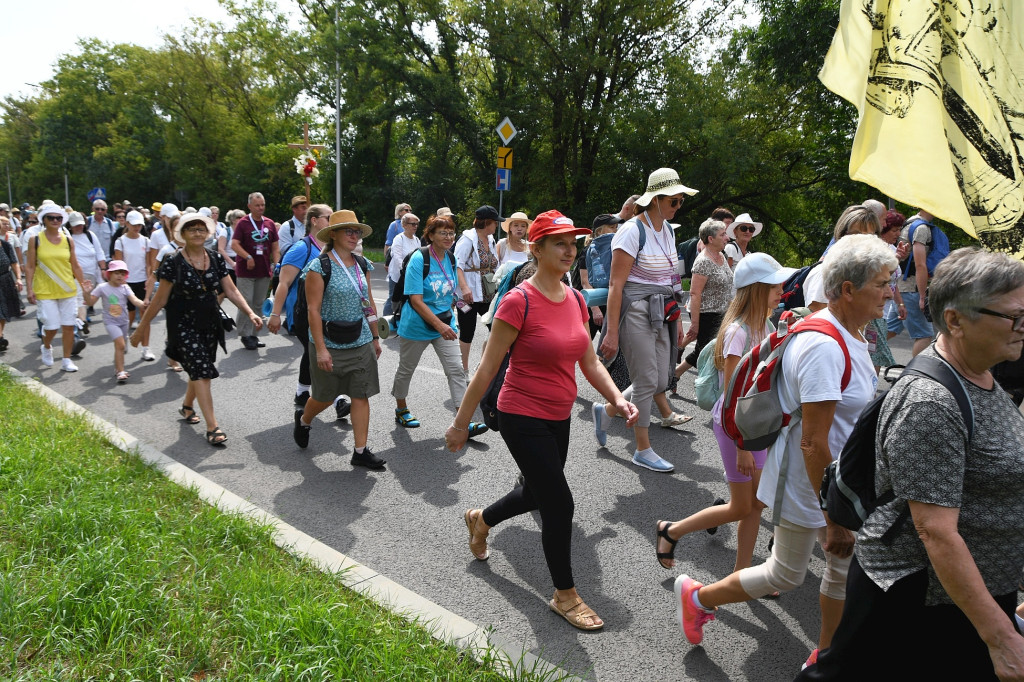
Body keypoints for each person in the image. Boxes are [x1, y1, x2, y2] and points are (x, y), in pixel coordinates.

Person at [800, 248, 1024, 680]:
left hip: (965, 593)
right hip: (921, 600)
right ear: (956, 321)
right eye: (1013, 316)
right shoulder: (931, 403)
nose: (1022, 327)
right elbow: (935, 531)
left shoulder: (980, 374)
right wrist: (999, 636)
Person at [674, 235, 895, 669]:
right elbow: (813, 440)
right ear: (848, 289)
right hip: (811, 478)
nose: (891, 292)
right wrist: (834, 516)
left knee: (835, 567)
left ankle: (826, 656)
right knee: (788, 573)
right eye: (883, 283)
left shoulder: (849, 334)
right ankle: (698, 596)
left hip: (832, 477)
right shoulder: (825, 347)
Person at [446, 210, 639, 631]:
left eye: (574, 243)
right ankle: (564, 595)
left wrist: (616, 400)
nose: (570, 250)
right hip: (520, 413)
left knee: (535, 493)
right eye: (560, 243)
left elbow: (588, 360)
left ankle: (481, 520)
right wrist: (461, 423)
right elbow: (485, 368)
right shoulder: (519, 301)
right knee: (559, 502)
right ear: (537, 249)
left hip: (559, 414)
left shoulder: (574, 299)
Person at [655, 253, 794, 575]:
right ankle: (671, 531)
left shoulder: (768, 325)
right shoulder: (738, 333)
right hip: (736, 428)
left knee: (754, 503)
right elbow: (733, 395)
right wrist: (744, 445)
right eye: (775, 284)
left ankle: (741, 573)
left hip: (755, 425)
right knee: (744, 505)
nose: (781, 289)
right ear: (757, 288)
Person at [597, 168, 698, 473]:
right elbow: (616, 286)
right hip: (637, 311)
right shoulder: (631, 231)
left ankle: (607, 412)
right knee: (644, 381)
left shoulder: (668, 230)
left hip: (662, 310)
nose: (678, 205)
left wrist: (678, 318)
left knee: (658, 379)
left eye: (680, 201)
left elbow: (673, 278)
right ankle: (643, 449)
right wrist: (611, 332)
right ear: (655, 199)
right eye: (674, 200)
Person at [131, 213, 261, 446]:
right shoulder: (172, 261)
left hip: (209, 322)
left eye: (201, 229)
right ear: (183, 234)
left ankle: (187, 406)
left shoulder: (215, 258)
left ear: (208, 232)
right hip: (182, 323)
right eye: (192, 229)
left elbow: (231, 291)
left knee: (201, 366)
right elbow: (160, 300)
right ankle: (213, 427)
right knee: (201, 369)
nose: (198, 233)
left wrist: (250, 313)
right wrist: (141, 328)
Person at [292, 210, 385, 470]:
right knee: (323, 396)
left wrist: (375, 337)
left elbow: (368, 303)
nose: (354, 236)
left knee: (361, 395)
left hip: (361, 340)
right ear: (333, 234)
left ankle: (360, 451)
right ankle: (304, 419)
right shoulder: (318, 266)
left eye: (356, 231)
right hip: (329, 344)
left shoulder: (362, 264)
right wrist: (320, 350)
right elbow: (313, 310)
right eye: (348, 231)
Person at [391, 214, 487, 436]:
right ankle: (401, 408)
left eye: (451, 232)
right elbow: (415, 300)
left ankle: (463, 422)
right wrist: (440, 327)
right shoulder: (419, 259)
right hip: (417, 325)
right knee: (406, 369)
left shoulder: (450, 258)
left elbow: (450, 290)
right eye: (443, 232)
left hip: (444, 320)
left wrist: (463, 304)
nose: (448, 236)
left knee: (455, 370)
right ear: (431, 235)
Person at [267, 203, 351, 419]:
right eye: (328, 217)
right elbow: (283, 284)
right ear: (314, 220)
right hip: (305, 314)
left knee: (312, 353)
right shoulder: (301, 249)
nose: (332, 220)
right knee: (325, 352)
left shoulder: (333, 248)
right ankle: (338, 399)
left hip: (330, 313)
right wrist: (275, 315)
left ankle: (302, 392)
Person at [25, 205, 92, 372]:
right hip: (45, 290)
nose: (55, 221)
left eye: (59, 218)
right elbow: (30, 266)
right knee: (52, 327)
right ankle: (46, 346)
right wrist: (29, 289)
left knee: (69, 326)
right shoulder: (36, 239)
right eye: (51, 218)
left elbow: (75, 265)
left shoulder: (68, 240)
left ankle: (66, 359)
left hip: (67, 288)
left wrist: (83, 284)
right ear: (44, 220)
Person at [673, 219, 734, 392]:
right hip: (706, 312)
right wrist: (695, 324)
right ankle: (677, 374)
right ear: (710, 239)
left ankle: (676, 371)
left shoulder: (721, 256)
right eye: (722, 234)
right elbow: (694, 293)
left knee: (713, 350)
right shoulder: (703, 262)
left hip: (722, 312)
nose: (727, 238)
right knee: (704, 351)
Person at [886, 208, 942, 357]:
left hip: (901, 287)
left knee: (888, 329)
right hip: (911, 288)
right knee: (924, 335)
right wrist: (923, 296)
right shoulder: (922, 228)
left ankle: (860, 349)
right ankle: (917, 374)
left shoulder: (910, 222)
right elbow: (920, 265)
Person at [82, 260, 146, 383]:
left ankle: (118, 368)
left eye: (122, 273)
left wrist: (145, 304)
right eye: (116, 273)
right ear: (109, 274)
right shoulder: (102, 287)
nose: (119, 276)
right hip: (110, 322)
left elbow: (135, 300)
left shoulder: (125, 287)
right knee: (120, 345)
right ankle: (121, 371)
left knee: (121, 346)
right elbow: (90, 302)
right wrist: (86, 293)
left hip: (124, 321)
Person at [454, 205, 501, 371]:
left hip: (487, 295)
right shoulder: (467, 239)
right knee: (467, 332)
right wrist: (465, 288)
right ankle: (463, 371)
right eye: (496, 222)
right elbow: (457, 265)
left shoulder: (491, 240)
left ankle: (484, 366)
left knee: (496, 328)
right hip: (468, 297)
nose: (497, 225)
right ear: (488, 223)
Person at [231, 192, 280, 350]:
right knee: (247, 302)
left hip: (264, 270)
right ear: (249, 206)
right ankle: (245, 334)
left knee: (258, 303)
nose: (260, 208)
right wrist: (247, 256)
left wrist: (277, 264)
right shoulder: (243, 223)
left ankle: (254, 334)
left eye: (263, 205)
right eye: (257, 205)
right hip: (246, 271)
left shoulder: (270, 223)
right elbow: (234, 244)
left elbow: (275, 246)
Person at [386, 211, 423, 331]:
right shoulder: (399, 238)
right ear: (404, 225)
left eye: (417, 224)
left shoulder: (417, 239)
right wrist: (405, 270)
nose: (415, 226)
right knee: (393, 297)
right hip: (398, 274)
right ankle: (388, 322)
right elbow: (396, 257)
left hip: (412, 275)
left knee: (407, 299)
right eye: (412, 224)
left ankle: (404, 322)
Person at [382, 202, 412, 316]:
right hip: (396, 262)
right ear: (399, 212)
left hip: (407, 266)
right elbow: (388, 245)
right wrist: (387, 262)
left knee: (404, 296)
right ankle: (386, 320)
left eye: (410, 210)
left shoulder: (411, 225)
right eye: (406, 210)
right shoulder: (394, 225)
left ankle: (399, 318)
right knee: (393, 295)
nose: (409, 212)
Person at [0, 217, 22, 351]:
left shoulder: (6, 245)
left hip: (5, 280)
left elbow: (14, 263)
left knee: (4, 311)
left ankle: (1, 336)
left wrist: (19, 278)